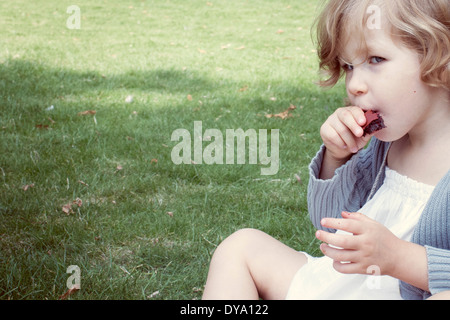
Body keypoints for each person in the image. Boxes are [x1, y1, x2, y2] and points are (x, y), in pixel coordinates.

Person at [202, 0, 450, 300]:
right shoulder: (386, 146)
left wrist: (399, 258)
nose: (354, 85)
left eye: (375, 59)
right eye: (348, 66)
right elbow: (329, 226)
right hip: (339, 287)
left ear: (440, 55)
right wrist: (337, 157)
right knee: (241, 247)